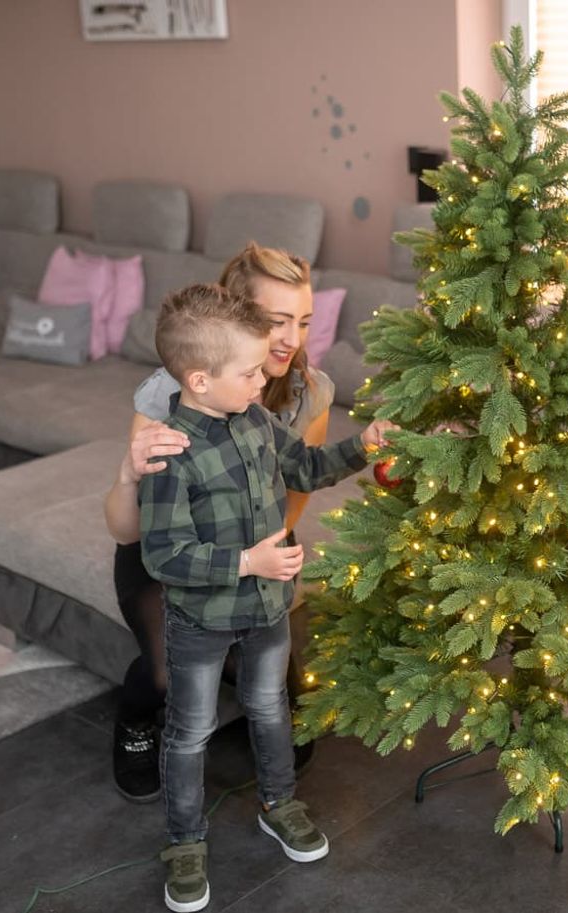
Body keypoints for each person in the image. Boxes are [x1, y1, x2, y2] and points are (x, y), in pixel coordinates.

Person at [139, 283, 392, 913]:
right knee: (190, 732)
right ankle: (185, 841)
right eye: (250, 371)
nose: (262, 380)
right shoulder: (172, 454)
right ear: (199, 380)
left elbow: (305, 468)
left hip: (269, 612)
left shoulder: (255, 419)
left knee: (270, 707)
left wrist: (362, 446)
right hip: (201, 622)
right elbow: (163, 556)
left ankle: (280, 804)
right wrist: (248, 561)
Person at [104, 245, 332, 802]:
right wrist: (132, 476)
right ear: (240, 317)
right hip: (168, 549)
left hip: (254, 543)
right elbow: (125, 531)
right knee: (167, 675)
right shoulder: (172, 391)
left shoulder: (309, 395)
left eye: (303, 321)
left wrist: (249, 572)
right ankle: (136, 722)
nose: (291, 340)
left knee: (284, 706)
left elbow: (292, 500)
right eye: (276, 322)